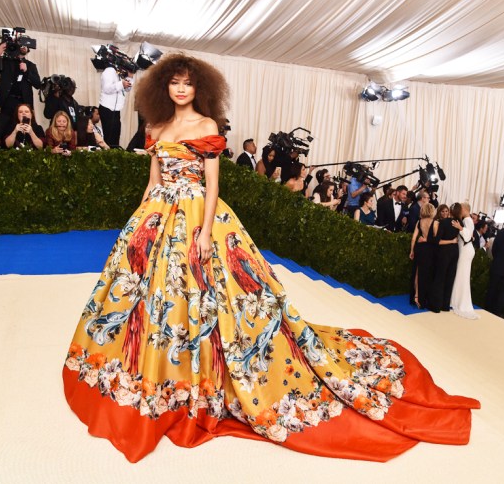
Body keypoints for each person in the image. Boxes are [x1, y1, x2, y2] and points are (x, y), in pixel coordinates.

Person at [61, 53, 479, 463]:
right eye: (175, 82)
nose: (182, 88)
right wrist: (139, 226)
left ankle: (201, 373)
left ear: (198, 87)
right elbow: (152, 182)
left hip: (196, 219)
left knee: (218, 299)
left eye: (188, 82)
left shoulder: (207, 126)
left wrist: (205, 233)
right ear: (164, 86)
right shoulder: (155, 126)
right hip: (155, 218)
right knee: (149, 299)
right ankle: (157, 373)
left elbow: (212, 187)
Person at [0, 41, 41, 117]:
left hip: (24, 102)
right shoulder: (5, 61)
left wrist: (27, 71)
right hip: (7, 101)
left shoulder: (31, 65)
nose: (24, 47)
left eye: (26, 46)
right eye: (22, 44)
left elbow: (38, 84)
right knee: (6, 126)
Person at [429, 203, 462, 313]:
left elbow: (437, 241)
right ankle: (445, 306)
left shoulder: (442, 223)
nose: (445, 213)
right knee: (449, 279)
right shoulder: (459, 223)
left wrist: (450, 241)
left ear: (450, 212)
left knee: (440, 279)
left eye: (446, 211)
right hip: (455, 253)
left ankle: (436, 307)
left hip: (444, 253)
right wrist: (453, 241)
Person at [450, 203, 479, 319]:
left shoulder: (468, 220)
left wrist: (460, 228)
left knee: (462, 275)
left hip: (466, 250)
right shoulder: (467, 220)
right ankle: (456, 300)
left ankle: (459, 302)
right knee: (461, 274)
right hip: (465, 249)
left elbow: (467, 236)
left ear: (464, 209)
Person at [99, 65, 134, 147]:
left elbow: (127, 89)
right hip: (107, 108)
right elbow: (106, 88)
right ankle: (108, 156)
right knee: (109, 137)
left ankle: (114, 156)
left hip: (116, 110)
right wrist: (121, 84)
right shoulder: (109, 71)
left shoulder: (120, 74)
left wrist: (130, 78)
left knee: (115, 137)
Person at [409, 202, 436, 309]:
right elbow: (436, 239)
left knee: (417, 272)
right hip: (429, 250)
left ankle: (416, 296)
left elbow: (413, 238)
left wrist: (412, 251)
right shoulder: (435, 223)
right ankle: (422, 298)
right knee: (426, 274)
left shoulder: (419, 222)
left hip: (419, 249)